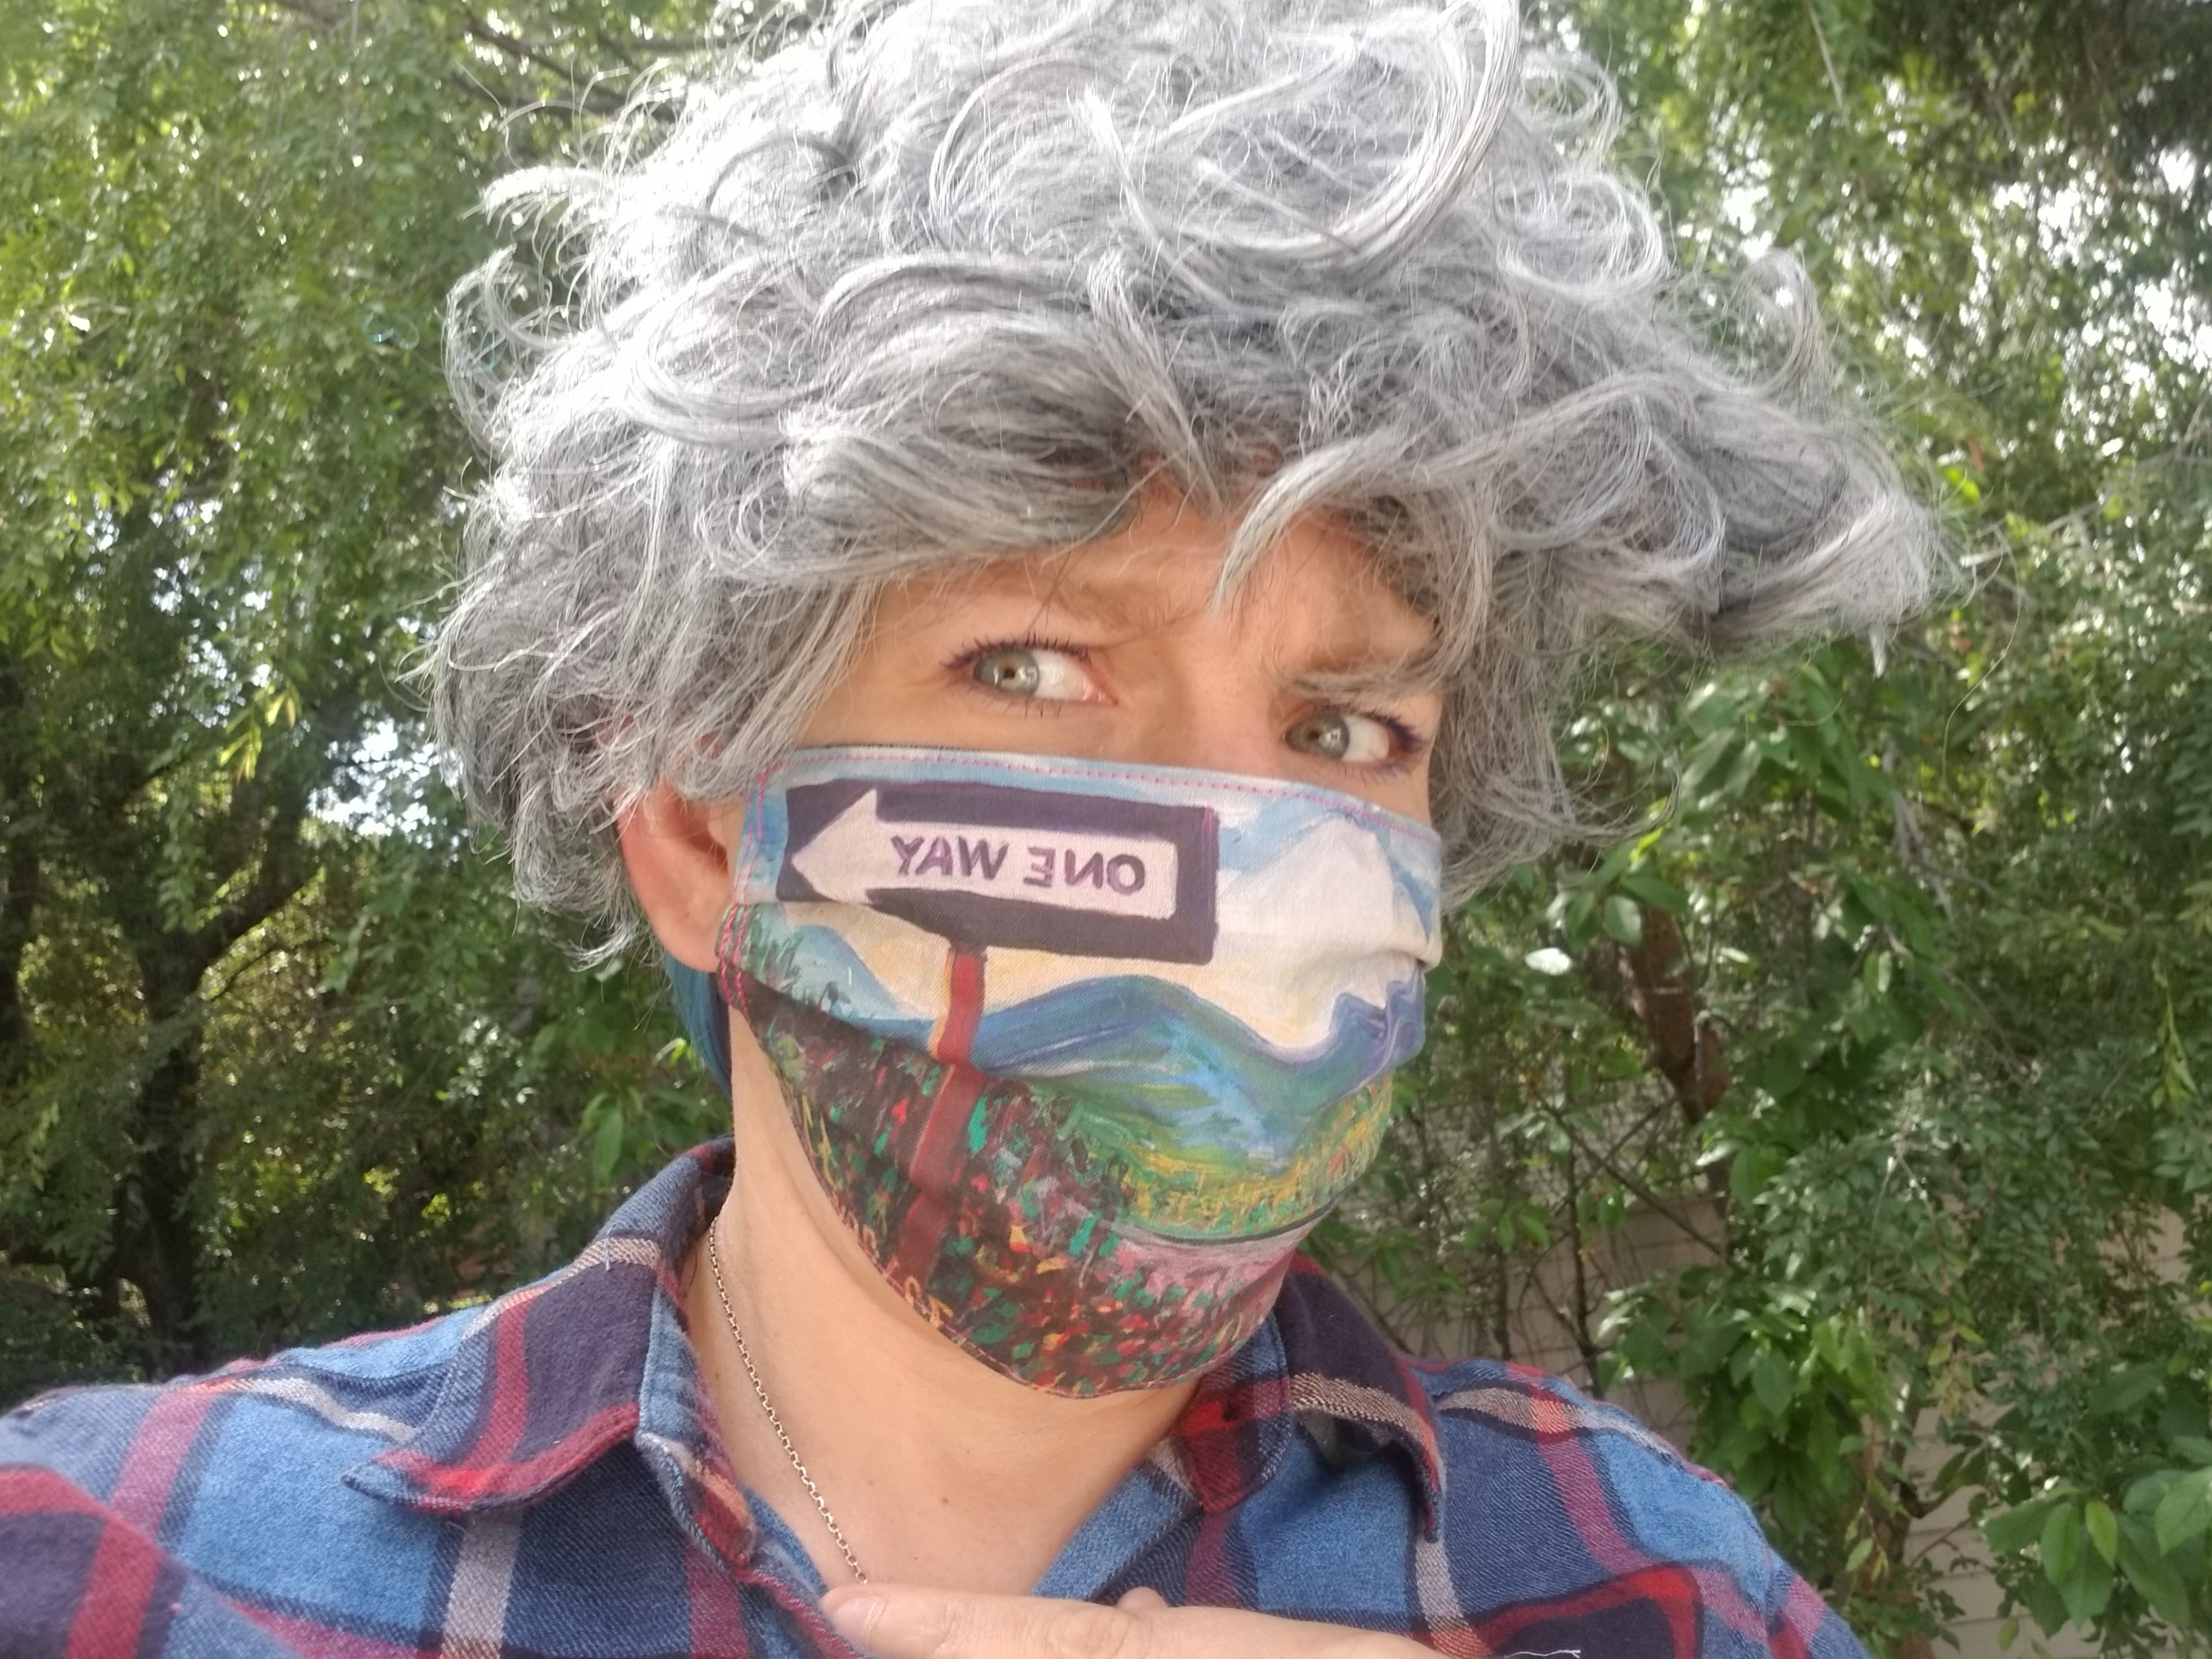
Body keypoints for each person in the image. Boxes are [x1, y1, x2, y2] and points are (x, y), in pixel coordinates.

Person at [0, 0, 1938, 1654]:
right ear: (692, 830)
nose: (1237, 843)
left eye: (1345, 724)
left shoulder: (1649, 1589)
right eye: (1030, 666)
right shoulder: (119, 1568)